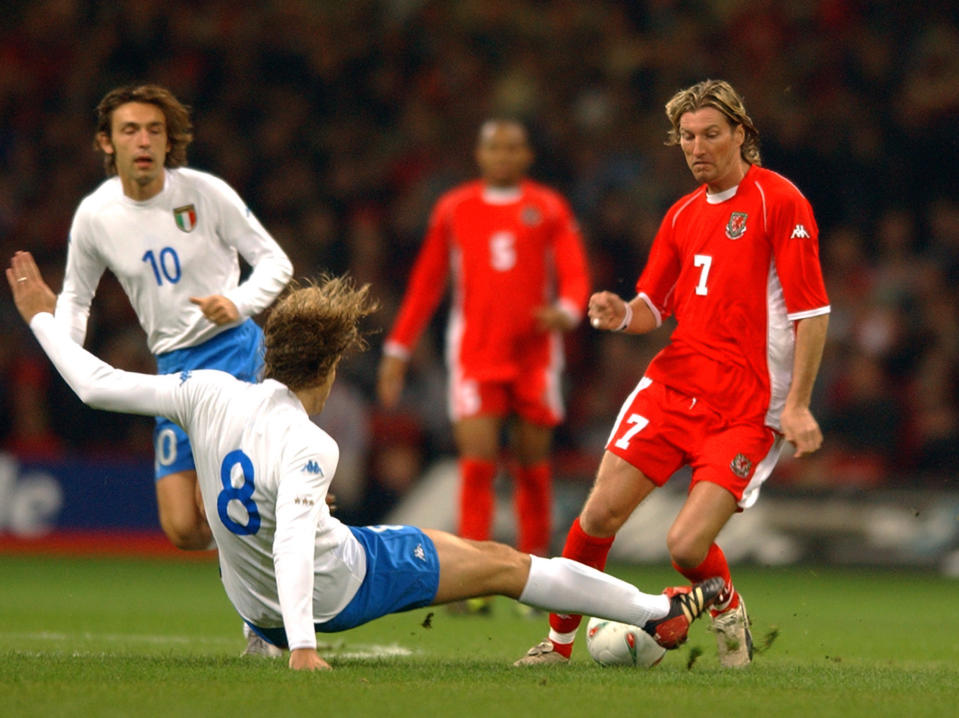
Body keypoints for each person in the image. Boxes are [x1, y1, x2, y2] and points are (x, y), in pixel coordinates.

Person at [8, 250, 724, 671]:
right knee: (503, 564)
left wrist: (43, 313)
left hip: (246, 598)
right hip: (341, 587)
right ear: (326, 374)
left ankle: (259, 633)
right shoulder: (309, 440)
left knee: (320, 537)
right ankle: (658, 610)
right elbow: (293, 535)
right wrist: (303, 645)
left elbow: (96, 384)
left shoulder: (207, 392)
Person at [515, 79, 831, 668]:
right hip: (674, 385)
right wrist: (620, 314)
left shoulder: (777, 200)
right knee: (599, 514)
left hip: (746, 405)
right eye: (687, 137)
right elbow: (652, 309)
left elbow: (812, 312)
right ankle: (557, 647)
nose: (697, 147)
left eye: (711, 134)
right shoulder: (682, 214)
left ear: (742, 134)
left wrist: (799, 405)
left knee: (686, 547)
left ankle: (726, 603)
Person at [54, 84, 293, 555]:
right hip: (172, 369)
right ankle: (275, 535)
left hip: (232, 352)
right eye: (130, 130)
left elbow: (275, 262)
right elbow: (76, 299)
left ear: (168, 141)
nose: (143, 141)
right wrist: (68, 356)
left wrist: (239, 303)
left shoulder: (205, 194)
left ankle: (266, 615)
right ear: (107, 142)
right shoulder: (95, 216)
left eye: (154, 131)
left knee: (223, 505)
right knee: (184, 528)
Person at [377, 120, 590, 586]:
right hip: (476, 353)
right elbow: (426, 283)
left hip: (536, 355)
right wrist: (397, 349)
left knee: (534, 466)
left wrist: (568, 312)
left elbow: (575, 275)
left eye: (513, 148)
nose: (504, 156)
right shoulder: (455, 208)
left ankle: (539, 574)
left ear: (527, 156)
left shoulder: (548, 207)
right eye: (495, 148)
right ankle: (474, 576)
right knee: (478, 463)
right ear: (480, 154)